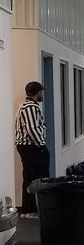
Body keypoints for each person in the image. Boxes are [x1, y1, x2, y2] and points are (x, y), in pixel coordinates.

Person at [14, 82, 49, 220]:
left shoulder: (24, 105)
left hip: (26, 147)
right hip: (32, 147)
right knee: (39, 178)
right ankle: (33, 210)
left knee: (28, 178)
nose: (43, 94)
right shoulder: (31, 107)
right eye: (42, 92)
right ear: (37, 92)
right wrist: (41, 145)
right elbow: (32, 129)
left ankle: (27, 210)